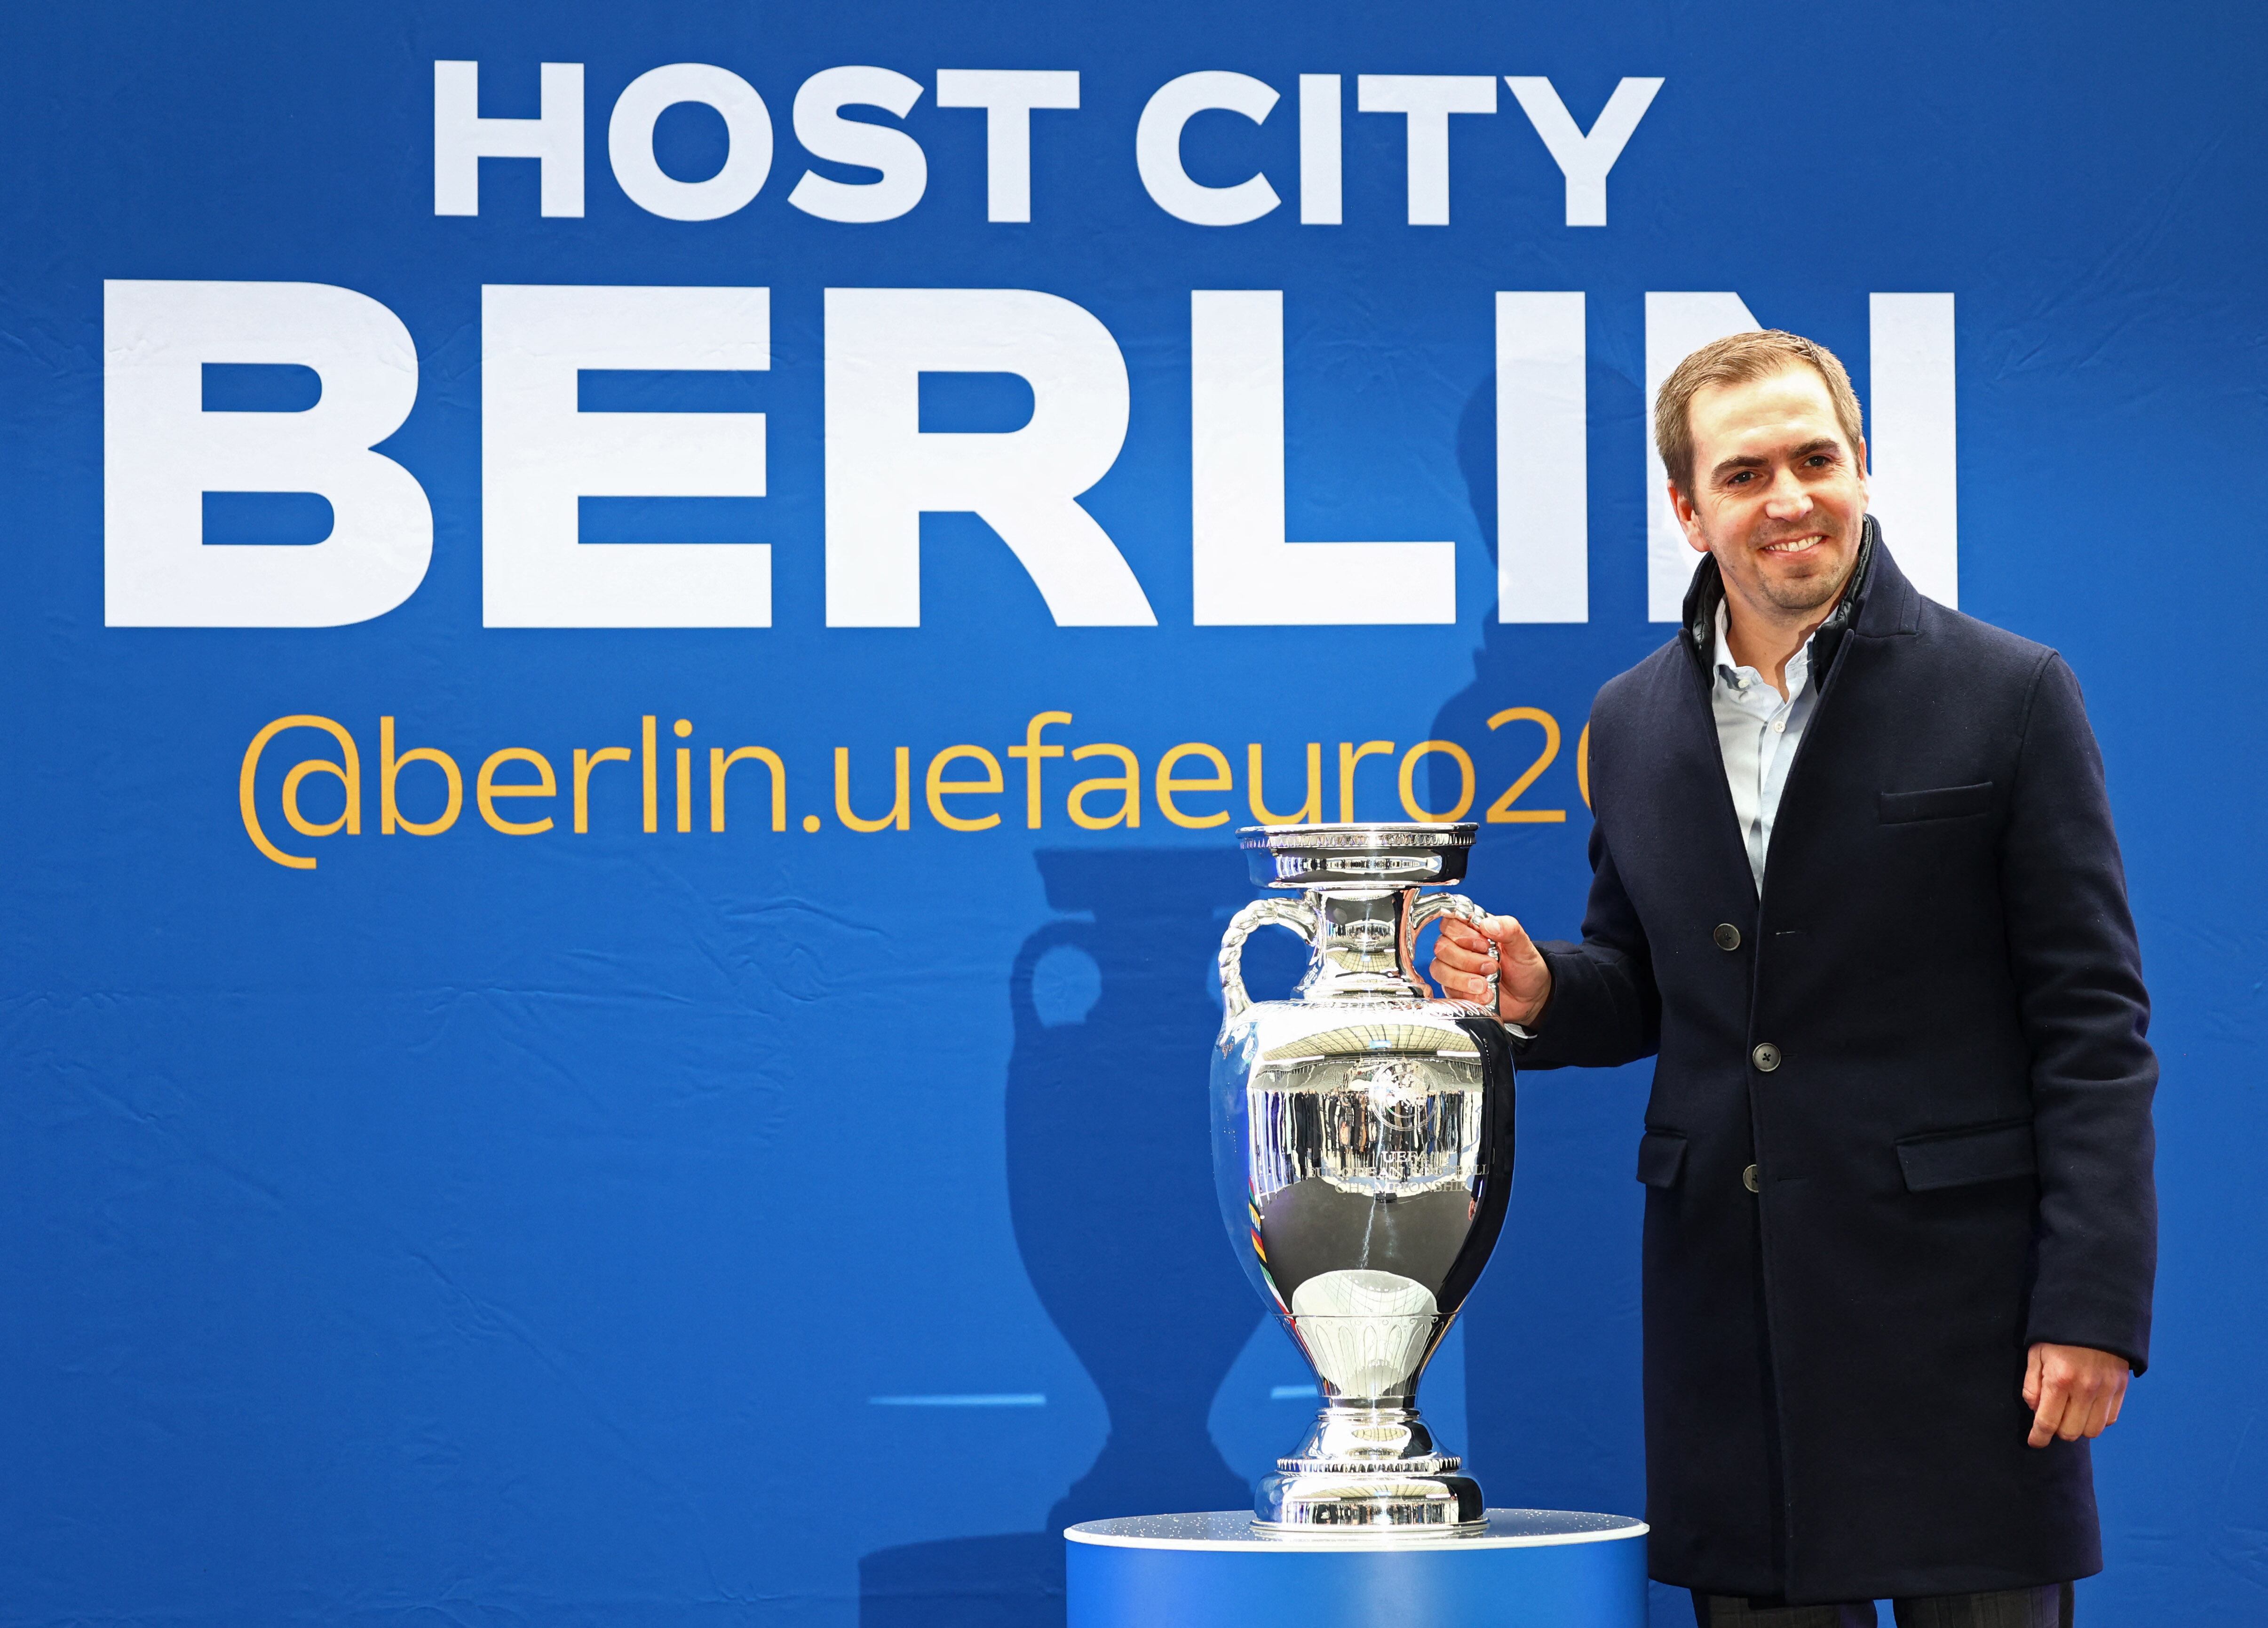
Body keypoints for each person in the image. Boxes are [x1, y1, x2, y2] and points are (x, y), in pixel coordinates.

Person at [1431, 330, 2157, 1628]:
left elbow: (2093, 1031)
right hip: (1732, 1326)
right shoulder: (1629, 720)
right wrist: (1543, 993)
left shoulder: (2011, 693)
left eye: (1816, 460)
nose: (1789, 500)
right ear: (1687, 510)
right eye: (1746, 474)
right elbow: (1647, 981)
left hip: (1966, 1330)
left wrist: (2093, 1308)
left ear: (1861, 466)